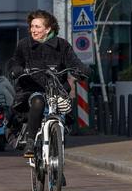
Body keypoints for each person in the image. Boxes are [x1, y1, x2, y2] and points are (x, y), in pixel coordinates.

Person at [9, 10, 92, 157]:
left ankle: (58, 166)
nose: (33, 30)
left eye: (37, 27)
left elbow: (74, 62)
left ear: (48, 29)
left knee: (62, 111)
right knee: (38, 101)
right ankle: (30, 141)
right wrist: (16, 70)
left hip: (57, 89)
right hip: (31, 88)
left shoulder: (62, 45)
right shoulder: (24, 45)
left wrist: (84, 70)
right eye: (32, 26)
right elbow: (15, 62)